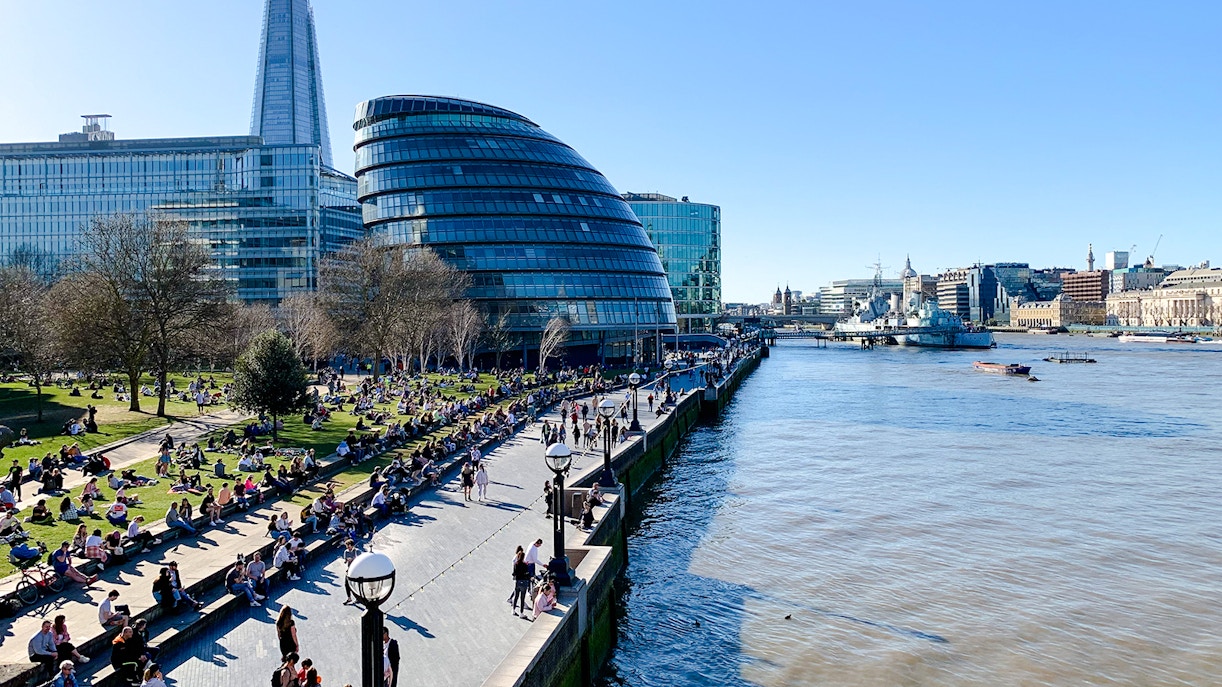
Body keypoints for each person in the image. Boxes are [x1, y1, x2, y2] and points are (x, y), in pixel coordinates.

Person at [511, 549, 531, 617]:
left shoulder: (516, 564)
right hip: (524, 582)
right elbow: (527, 573)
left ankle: (513, 610)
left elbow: (514, 573)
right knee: (522, 598)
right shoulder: (525, 565)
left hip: (517, 582)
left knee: (516, 596)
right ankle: (521, 613)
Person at [341, 539, 359, 605]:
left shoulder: (356, 551)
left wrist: (354, 559)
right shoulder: (346, 552)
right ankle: (349, 598)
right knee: (346, 584)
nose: (347, 547)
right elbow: (345, 560)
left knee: (355, 585)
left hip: (356, 570)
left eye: (348, 546)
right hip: (349, 569)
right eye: (346, 546)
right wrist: (346, 560)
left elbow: (360, 560)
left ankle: (358, 598)